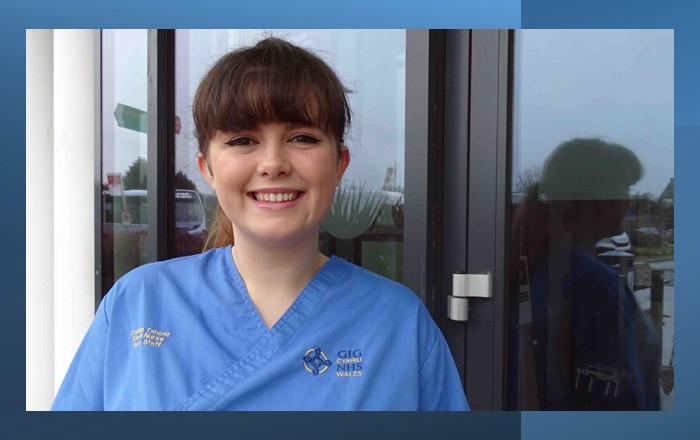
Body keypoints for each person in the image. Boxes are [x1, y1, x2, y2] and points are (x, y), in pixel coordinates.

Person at [51, 37, 469, 411]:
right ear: (207, 168)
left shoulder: (398, 324)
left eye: (302, 137)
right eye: (242, 140)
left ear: (339, 164)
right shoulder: (135, 305)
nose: (273, 164)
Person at [512, 138, 659, 410]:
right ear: (600, 197)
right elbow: (618, 401)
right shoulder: (592, 285)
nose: (630, 200)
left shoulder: (548, 270)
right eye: (626, 188)